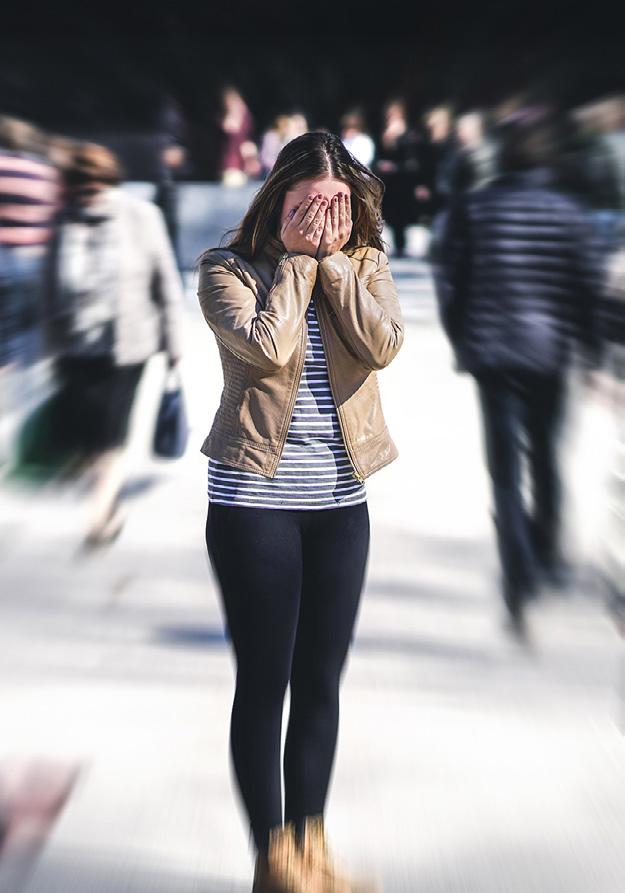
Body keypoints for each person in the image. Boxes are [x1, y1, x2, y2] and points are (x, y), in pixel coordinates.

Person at [197, 131, 404, 892]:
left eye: (338, 204)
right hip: (255, 504)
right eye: (309, 204)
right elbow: (268, 347)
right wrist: (294, 262)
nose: (325, 218)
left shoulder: (366, 264)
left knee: (321, 681)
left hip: (341, 505)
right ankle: (273, 858)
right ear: (276, 200)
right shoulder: (227, 269)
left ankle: (310, 848)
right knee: (265, 681)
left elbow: (382, 345)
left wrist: (335, 267)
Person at [433, 112, 601, 636]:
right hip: (549, 353)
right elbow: (585, 286)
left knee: (504, 471)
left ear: (502, 154)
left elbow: (451, 279)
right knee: (546, 455)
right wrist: (591, 351)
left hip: (493, 354)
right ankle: (545, 553)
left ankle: (517, 572)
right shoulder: (568, 213)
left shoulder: (475, 208)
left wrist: (461, 337)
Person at [44, 143, 184, 547]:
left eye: (95, 187)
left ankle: (101, 514)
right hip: (75, 347)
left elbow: (165, 280)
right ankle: (105, 497)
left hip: (127, 346)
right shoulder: (63, 221)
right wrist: (50, 347)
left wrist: (174, 343)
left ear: (110, 182)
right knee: (88, 435)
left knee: (110, 433)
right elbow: (49, 287)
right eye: (80, 188)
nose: (89, 195)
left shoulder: (141, 216)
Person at [374, 98, 420, 257]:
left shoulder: (408, 135)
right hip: (390, 183)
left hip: (403, 183)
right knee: (392, 214)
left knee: (402, 214)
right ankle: (397, 244)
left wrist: (395, 166)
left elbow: (412, 162)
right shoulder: (385, 134)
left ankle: (402, 245)